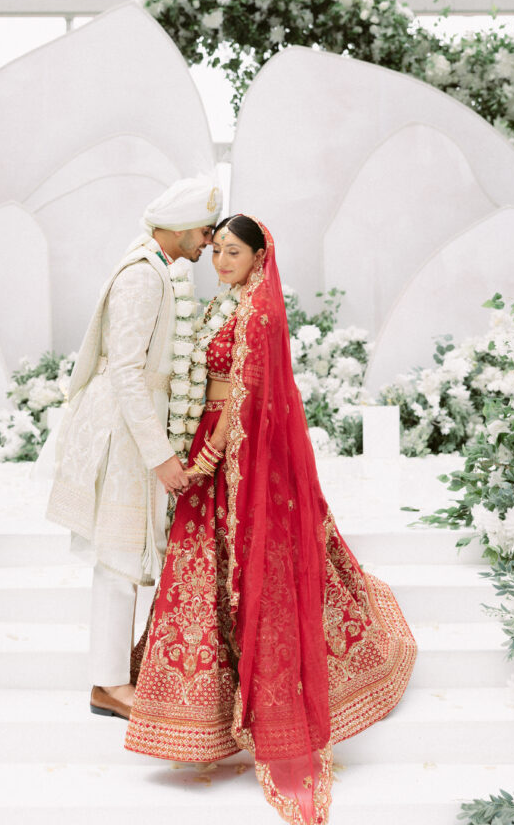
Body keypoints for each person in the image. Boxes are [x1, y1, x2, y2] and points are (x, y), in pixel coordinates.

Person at [125, 216, 417, 825]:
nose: (221, 260)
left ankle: (269, 699)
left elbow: (247, 394)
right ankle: (199, 711)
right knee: (205, 570)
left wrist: (207, 456)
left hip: (241, 451)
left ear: (260, 256)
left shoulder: (260, 312)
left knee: (255, 567)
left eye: (233, 253)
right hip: (209, 440)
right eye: (219, 251)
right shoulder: (225, 302)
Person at [46, 175, 222, 720]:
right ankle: (107, 686)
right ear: (182, 227)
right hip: (123, 428)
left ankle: (114, 673)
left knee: (128, 553)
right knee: (120, 556)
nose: (208, 242)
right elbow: (125, 372)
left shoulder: (159, 270)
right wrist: (162, 457)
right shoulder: (144, 277)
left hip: (133, 424)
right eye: (205, 230)